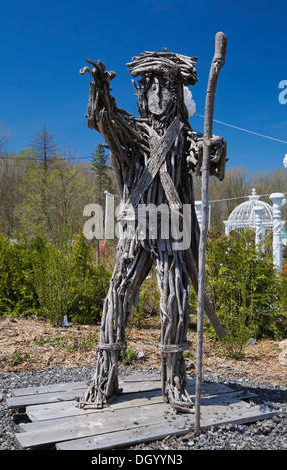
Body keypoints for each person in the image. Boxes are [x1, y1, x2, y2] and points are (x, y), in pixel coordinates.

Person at [76, 50, 227, 412]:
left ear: (176, 92)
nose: (157, 93)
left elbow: (202, 157)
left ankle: (174, 382)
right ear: (142, 93)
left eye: (166, 85)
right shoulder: (133, 132)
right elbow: (105, 121)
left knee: (175, 306)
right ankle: (104, 379)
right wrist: (101, 91)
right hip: (134, 230)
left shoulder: (183, 135)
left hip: (171, 232)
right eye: (150, 85)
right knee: (117, 297)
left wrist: (211, 150)